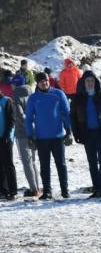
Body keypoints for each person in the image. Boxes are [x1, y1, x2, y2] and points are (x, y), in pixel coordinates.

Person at [70, 71, 101, 198]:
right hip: (87, 134)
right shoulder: (77, 98)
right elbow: (73, 118)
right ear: (83, 83)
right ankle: (96, 188)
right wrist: (76, 134)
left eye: (92, 80)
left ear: (95, 82)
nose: (90, 83)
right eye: (87, 81)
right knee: (92, 162)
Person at [25, 72, 72, 200]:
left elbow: (66, 113)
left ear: (49, 81)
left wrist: (69, 130)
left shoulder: (58, 94)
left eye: (46, 80)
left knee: (61, 164)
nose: (44, 83)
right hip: (41, 138)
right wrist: (30, 136)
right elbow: (28, 118)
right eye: (41, 81)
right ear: (37, 83)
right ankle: (47, 191)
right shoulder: (33, 98)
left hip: (58, 136)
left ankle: (65, 190)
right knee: (44, 166)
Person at [11, 74, 40, 196]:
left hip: (22, 133)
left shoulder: (16, 97)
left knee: (27, 162)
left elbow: (20, 115)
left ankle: (34, 189)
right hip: (35, 131)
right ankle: (37, 187)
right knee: (33, 161)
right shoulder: (31, 94)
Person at [0, 86, 16, 200]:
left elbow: (12, 119)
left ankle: (12, 190)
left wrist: (7, 134)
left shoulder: (6, 100)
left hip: (5, 137)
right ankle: (2, 190)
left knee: (8, 164)